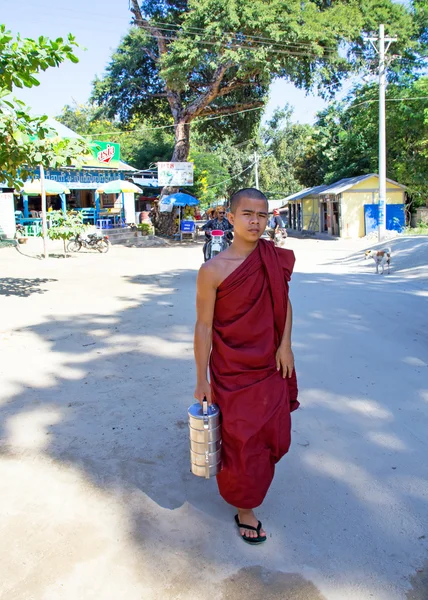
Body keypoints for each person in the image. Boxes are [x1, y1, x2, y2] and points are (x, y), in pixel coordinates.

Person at [194, 188, 299, 545]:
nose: (256, 222)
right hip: (231, 369)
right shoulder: (212, 270)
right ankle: (245, 507)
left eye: (262, 215)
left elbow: (284, 306)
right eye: (248, 214)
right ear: (230, 217)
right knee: (240, 438)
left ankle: (253, 485)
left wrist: (286, 346)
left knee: (271, 434)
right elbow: (204, 326)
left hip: (270, 363)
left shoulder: (273, 258)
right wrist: (201, 378)